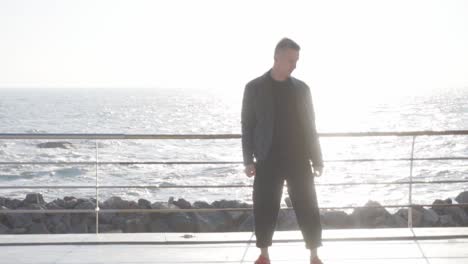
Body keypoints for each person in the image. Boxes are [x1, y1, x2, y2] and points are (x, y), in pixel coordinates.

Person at [241, 38, 324, 264]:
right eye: (290, 60)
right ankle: (264, 254)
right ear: (276, 58)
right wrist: (248, 159)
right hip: (267, 158)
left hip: (299, 158)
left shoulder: (302, 89)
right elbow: (247, 125)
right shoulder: (254, 87)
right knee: (265, 206)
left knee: (308, 206)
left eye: (296, 60)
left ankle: (314, 254)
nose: (294, 65)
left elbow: (310, 126)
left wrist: (318, 160)